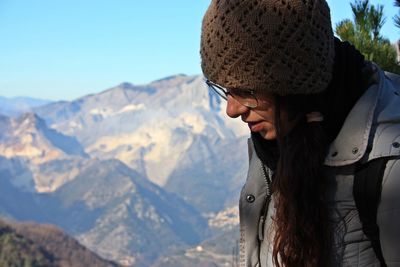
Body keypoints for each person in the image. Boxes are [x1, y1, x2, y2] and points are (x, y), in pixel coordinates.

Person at [200, 0, 400, 266]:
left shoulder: (387, 162)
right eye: (225, 89)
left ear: (293, 84)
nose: (232, 110)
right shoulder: (278, 140)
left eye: (246, 91)